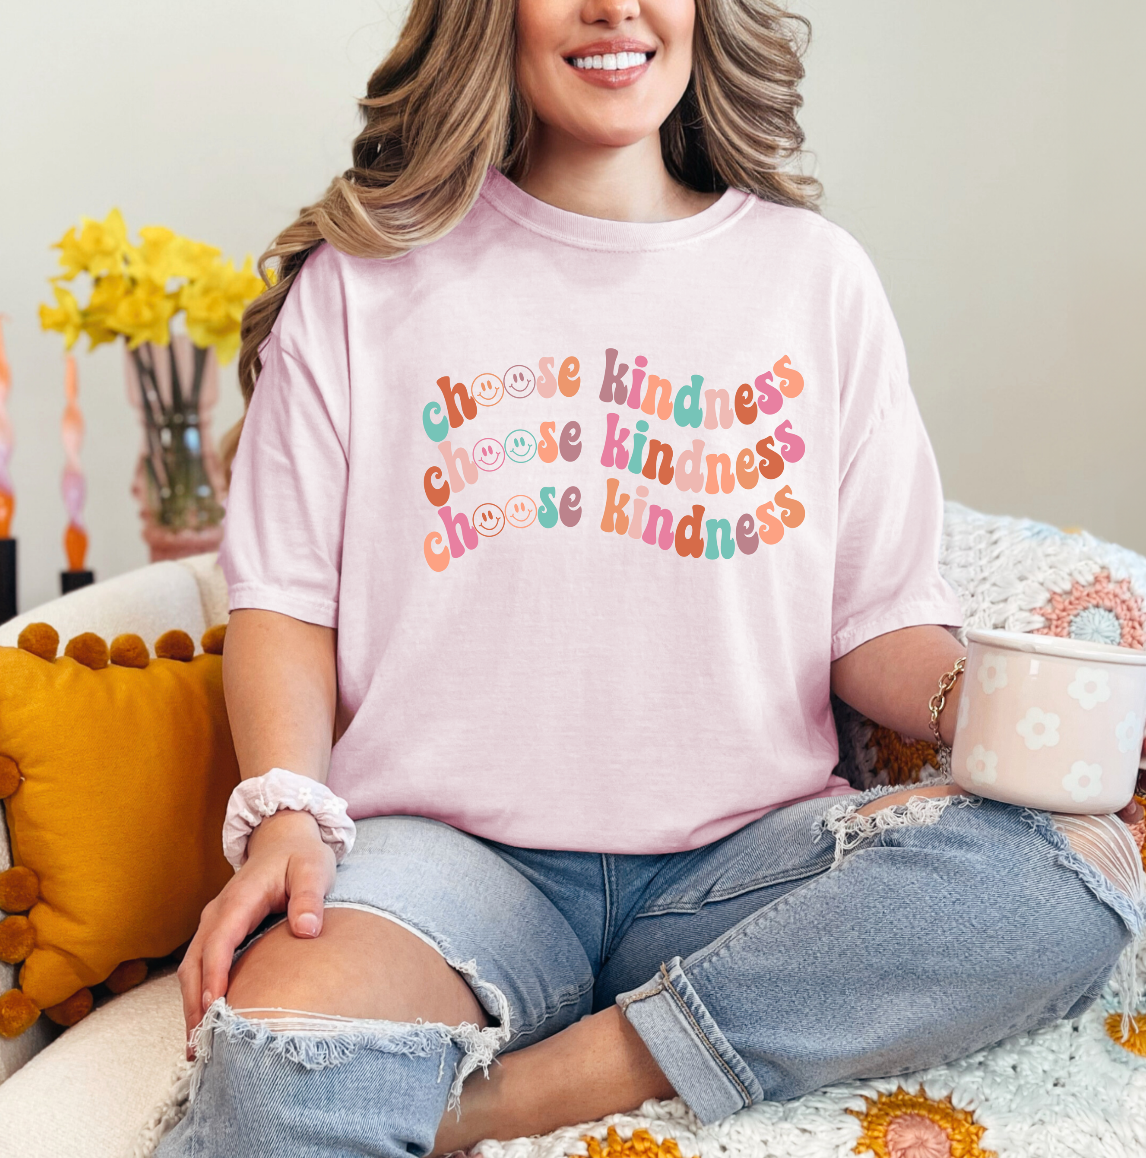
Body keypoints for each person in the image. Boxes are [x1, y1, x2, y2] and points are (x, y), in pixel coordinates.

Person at [157, 0, 1141, 1154]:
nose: (616, 9)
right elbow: (285, 600)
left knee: (1073, 872)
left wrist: (1014, 715)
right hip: (449, 863)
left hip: (744, 864)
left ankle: (513, 1097)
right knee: (275, 1067)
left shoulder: (813, 278)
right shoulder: (362, 281)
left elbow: (878, 625)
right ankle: (620, 1048)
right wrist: (285, 810)